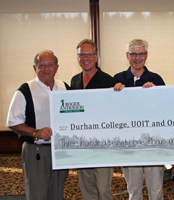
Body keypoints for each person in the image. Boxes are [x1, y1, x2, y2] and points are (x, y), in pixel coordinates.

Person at [6, 50, 69, 200]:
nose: (46, 69)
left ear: (57, 67)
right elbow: (12, 121)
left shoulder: (65, 87)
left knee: (57, 194)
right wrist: (35, 132)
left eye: (50, 65)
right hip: (36, 152)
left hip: (60, 152)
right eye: (41, 65)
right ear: (35, 68)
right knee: (37, 195)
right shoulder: (25, 90)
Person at [113, 39, 165, 200]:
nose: (137, 57)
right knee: (134, 191)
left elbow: (165, 111)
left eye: (141, 53)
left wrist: (154, 94)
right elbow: (111, 112)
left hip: (153, 144)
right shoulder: (117, 79)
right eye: (133, 54)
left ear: (146, 55)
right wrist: (114, 94)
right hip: (129, 144)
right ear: (127, 56)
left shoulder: (156, 80)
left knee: (155, 191)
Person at [70, 39, 115, 200]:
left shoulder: (108, 81)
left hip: (102, 144)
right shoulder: (74, 81)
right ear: (77, 58)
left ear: (96, 57)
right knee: (86, 189)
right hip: (81, 143)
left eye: (89, 54)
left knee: (103, 190)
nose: (85, 58)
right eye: (82, 55)